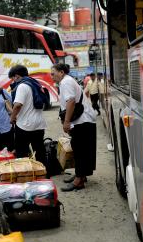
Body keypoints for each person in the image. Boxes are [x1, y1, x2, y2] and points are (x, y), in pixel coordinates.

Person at [51, 63, 97, 191]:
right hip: (83, 119)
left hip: (82, 120)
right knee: (80, 148)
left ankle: (79, 180)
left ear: (61, 72)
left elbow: (70, 101)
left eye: (53, 74)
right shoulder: (66, 81)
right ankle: (80, 175)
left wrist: (66, 122)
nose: (51, 77)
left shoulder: (66, 82)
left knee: (80, 149)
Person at [8, 64, 47, 163]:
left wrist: (12, 117)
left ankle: (25, 176)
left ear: (16, 76)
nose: (13, 81)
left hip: (25, 125)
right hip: (39, 124)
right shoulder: (35, 83)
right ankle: (44, 175)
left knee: (22, 153)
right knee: (39, 151)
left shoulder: (22, 86)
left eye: (13, 78)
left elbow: (17, 105)